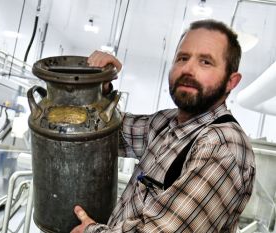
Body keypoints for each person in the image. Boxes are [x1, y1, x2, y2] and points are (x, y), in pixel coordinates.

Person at [71, 19, 255, 233]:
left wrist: (90, 231)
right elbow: (105, 135)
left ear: (231, 82)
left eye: (205, 62)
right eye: (182, 58)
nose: (187, 69)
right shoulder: (164, 124)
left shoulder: (222, 145)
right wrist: (99, 87)